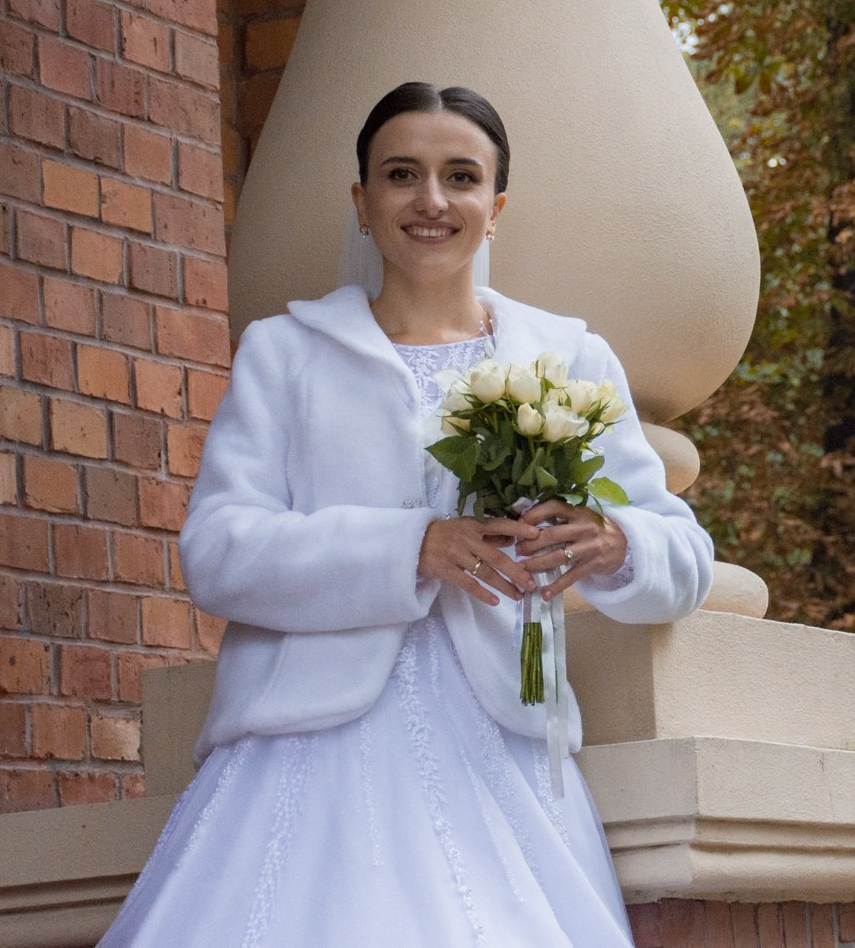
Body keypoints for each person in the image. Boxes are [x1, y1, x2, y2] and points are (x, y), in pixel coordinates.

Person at [99, 81, 715, 946]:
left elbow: (685, 561)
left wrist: (614, 543)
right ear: (362, 200)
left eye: (460, 176)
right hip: (301, 748)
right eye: (401, 174)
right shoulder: (286, 353)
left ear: (496, 207)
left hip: (502, 750)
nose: (432, 199)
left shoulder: (568, 357)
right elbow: (218, 553)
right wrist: (411, 547)